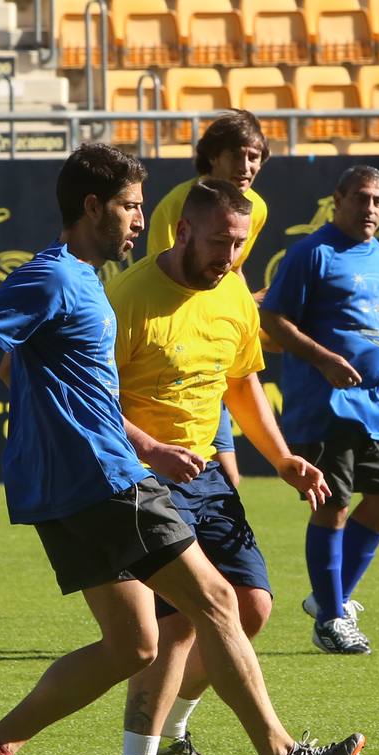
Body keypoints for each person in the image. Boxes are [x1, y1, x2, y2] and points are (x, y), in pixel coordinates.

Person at [0, 143, 365, 755]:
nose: (140, 218)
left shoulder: (86, 284)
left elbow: (79, 392)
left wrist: (152, 443)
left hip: (63, 493)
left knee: (134, 644)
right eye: (131, 206)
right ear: (93, 207)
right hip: (103, 482)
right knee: (219, 601)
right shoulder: (55, 278)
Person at [105, 178, 323, 755]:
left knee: (252, 607)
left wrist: (282, 459)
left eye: (240, 244)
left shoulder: (232, 294)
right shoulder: (127, 299)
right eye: (220, 242)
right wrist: (150, 449)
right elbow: (93, 402)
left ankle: (171, 732)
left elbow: (242, 384)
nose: (229, 257)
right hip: (142, 479)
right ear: (182, 232)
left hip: (204, 475)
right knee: (185, 620)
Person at [259, 165, 379, 656]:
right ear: (338, 199)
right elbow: (274, 317)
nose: (369, 207)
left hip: (368, 402)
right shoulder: (313, 252)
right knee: (333, 504)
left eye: (378, 200)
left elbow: (357, 321)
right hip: (324, 401)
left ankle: (330, 598)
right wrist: (323, 359)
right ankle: (331, 618)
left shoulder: (374, 253)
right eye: (361, 198)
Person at [147, 109, 272, 489]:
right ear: (213, 156)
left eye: (255, 156)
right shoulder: (179, 204)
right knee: (189, 482)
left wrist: (248, 308)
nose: (247, 165)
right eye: (238, 155)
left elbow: (230, 273)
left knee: (226, 483)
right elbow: (168, 280)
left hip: (214, 349)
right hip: (172, 355)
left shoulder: (256, 207)